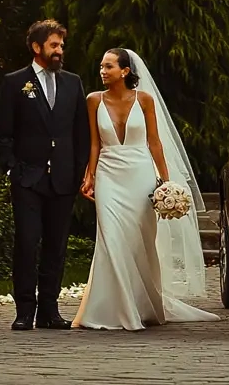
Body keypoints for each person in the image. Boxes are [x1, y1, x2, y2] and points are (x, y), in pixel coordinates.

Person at [73, 49, 218, 331]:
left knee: (140, 241)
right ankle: (117, 310)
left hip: (140, 176)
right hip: (108, 176)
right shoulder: (93, 100)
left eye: (108, 66)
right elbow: (94, 144)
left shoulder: (145, 100)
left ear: (125, 71)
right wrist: (89, 176)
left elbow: (155, 143)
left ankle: (142, 304)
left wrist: (166, 182)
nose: (102, 71)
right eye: (101, 66)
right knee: (110, 238)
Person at [0, 20, 85, 331]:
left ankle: (49, 311)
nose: (60, 50)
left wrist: (80, 170)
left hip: (63, 177)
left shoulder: (73, 83)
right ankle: (24, 311)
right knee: (28, 242)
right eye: (54, 45)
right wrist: (12, 169)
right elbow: (2, 133)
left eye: (61, 45)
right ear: (37, 47)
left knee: (56, 246)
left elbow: (80, 132)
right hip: (27, 178)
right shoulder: (15, 82)